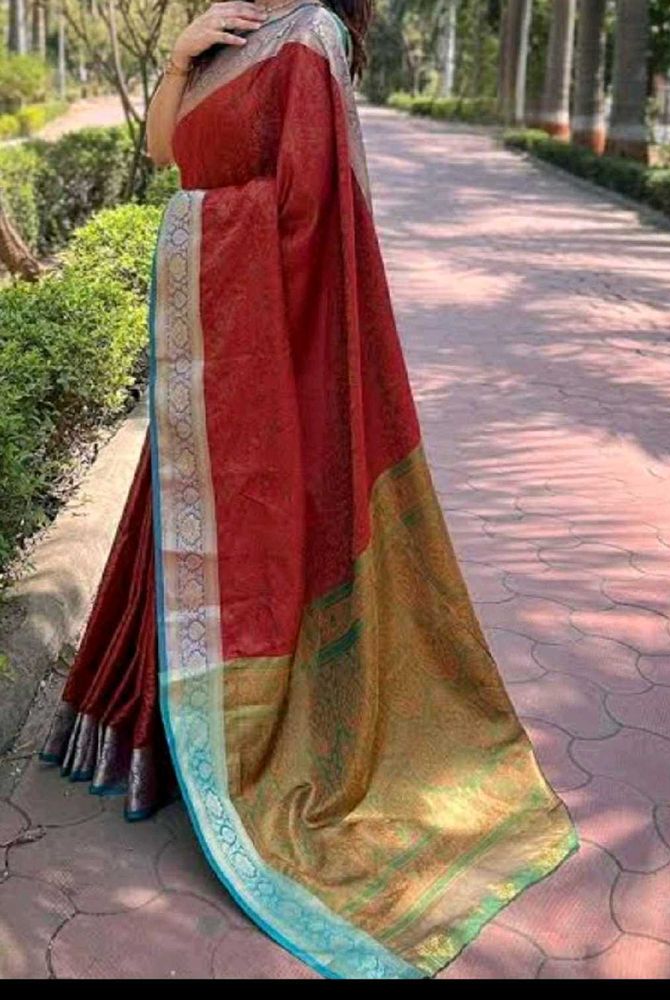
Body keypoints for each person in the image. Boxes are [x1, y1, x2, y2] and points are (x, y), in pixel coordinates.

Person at [42, 0, 577, 979]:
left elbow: (309, 220)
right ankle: (163, 738)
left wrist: (199, 235)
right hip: (208, 372)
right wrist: (179, 58)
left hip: (262, 365)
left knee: (250, 556)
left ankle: (255, 753)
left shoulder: (310, 38)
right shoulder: (225, 36)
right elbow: (165, 155)